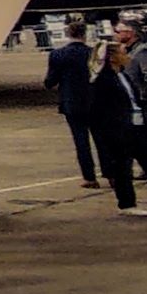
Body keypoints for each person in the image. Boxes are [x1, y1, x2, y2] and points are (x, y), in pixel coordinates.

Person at [92, 42, 147, 216]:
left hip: (137, 125)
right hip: (119, 130)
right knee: (123, 168)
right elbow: (100, 109)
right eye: (123, 53)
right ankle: (127, 204)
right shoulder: (104, 81)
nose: (128, 57)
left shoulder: (123, 75)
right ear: (112, 57)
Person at [44, 19, 99, 188]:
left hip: (72, 102)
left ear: (68, 33)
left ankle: (89, 176)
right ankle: (111, 173)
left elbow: (50, 81)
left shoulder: (57, 55)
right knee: (102, 139)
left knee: (81, 141)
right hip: (95, 100)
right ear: (85, 34)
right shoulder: (93, 54)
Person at [113, 20, 147, 181]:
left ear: (130, 33)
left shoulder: (142, 52)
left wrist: (143, 96)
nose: (115, 34)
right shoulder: (128, 52)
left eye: (118, 31)